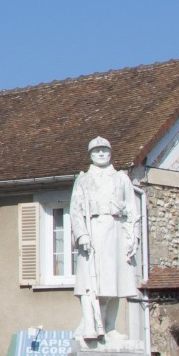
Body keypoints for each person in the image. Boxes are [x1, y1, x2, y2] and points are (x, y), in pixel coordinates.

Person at [69, 136, 141, 341]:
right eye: (96, 151)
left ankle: (109, 327)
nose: (101, 154)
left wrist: (132, 237)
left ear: (110, 153)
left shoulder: (121, 178)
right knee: (90, 283)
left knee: (115, 283)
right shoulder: (83, 179)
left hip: (116, 231)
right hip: (93, 231)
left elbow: (132, 210)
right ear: (90, 155)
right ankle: (89, 324)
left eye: (104, 150)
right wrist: (81, 234)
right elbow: (75, 210)